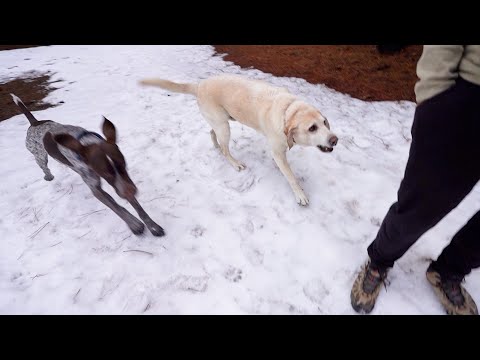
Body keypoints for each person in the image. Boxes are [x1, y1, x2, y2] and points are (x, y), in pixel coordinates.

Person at [351, 45, 480, 315]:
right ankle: (380, 260)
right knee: (420, 205)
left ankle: (449, 271)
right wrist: (436, 98)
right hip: (467, 104)